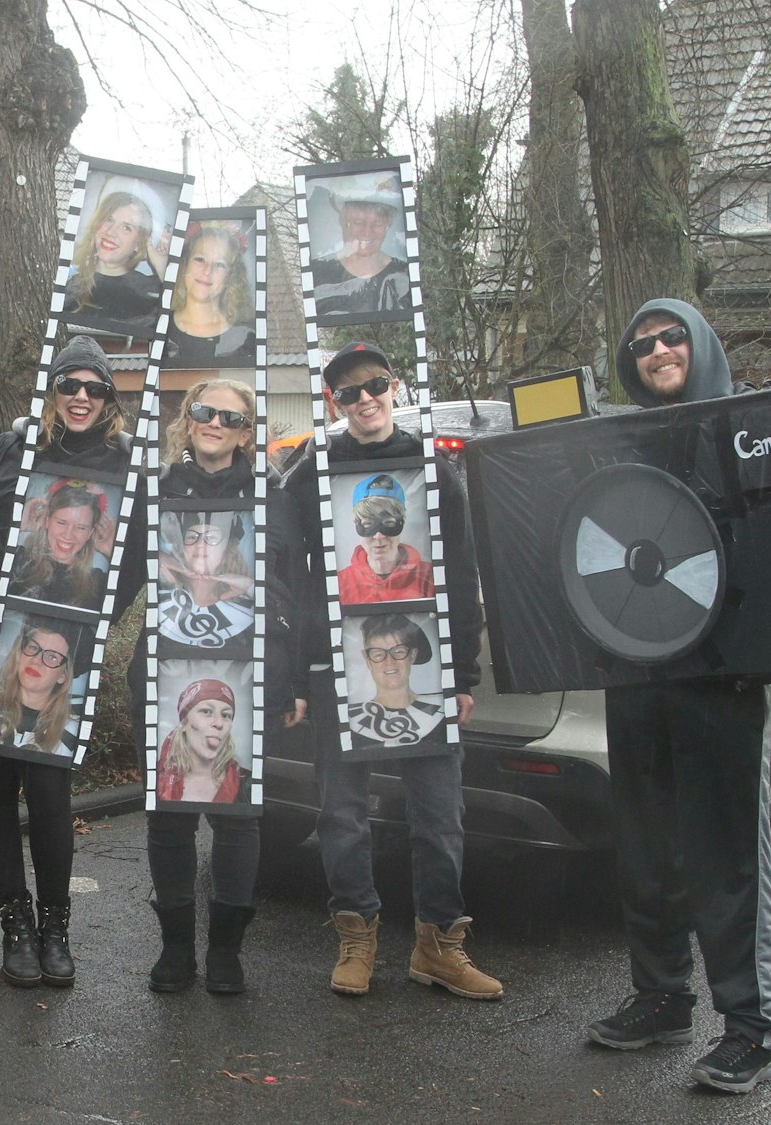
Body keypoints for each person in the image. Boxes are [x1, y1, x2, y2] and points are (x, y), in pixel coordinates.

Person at [582, 299, 771, 1094]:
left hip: (720, 679)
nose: (658, 350)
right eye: (643, 343)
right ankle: (661, 995)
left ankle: (750, 1029)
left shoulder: (744, 432)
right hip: (638, 674)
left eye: (672, 338)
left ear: (698, 346)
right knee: (643, 843)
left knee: (725, 855)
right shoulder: (620, 442)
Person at [278, 340, 498, 1002]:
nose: (364, 399)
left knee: (440, 813)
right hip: (338, 667)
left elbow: (460, 572)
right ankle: (358, 934)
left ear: (395, 387)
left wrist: (461, 674)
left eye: (374, 385)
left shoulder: (432, 465)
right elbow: (286, 573)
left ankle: (439, 943)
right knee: (342, 812)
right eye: (349, 392)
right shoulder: (310, 468)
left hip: (423, 665)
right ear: (332, 402)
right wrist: (298, 672)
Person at [0, 334, 144, 989]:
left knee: (49, 787)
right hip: (4, 629)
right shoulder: (19, 448)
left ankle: (55, 924)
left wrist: (104, 612)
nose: (80, 396)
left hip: (71, 640)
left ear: (109, 397)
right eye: (69, 385)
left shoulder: (125, 462)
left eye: (94, 387)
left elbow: (135, 554)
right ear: (52, 390)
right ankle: (15, 922)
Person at [141, 377, 287, 995]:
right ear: (188, 418)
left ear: (247, 431)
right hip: (165, 667)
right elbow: (115, 583)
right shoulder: (156, 490)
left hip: (244, 669)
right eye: (205, 412)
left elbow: (290, 589)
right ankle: (177, 949)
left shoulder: (270, 495)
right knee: (169, 816)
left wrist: (290, 673)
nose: (215, 424)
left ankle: (226, 951)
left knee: (238, 819)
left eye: (230, 417)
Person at [61, 190, 167, 336]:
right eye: (109, 220)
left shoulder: (150, 291)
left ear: (139, 243)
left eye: (126, 227)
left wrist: (163, 268)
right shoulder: (72, 284)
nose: (111, 232)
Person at [312, 175, 411, 318]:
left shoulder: (404, 275)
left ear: (388, 225)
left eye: (377, 224)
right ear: (345, 221)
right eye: (358, 222)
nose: (367, 232)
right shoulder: (317, 273)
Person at [348, 614, 445, 749]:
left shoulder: (441, 708)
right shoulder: (353, 719)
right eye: (378, 654)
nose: (389, 662)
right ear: (367, 659)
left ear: (412, 655)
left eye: (398, 652)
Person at [159, 512, 255, 649]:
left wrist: (250, 586)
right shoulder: (161, 592)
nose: (200, 544)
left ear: (228, 550)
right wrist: (158, 558)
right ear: (182, 548)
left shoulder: (247, 609)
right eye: (191, 537)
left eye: (211, 538)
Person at [9, 479, 110, 607]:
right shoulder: (16, 559)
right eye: (61, 523)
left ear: (90, 533)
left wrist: (112, 553)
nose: (68, 535)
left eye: (80, 527)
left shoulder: (98, 583)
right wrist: (18, 526)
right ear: (47, 521)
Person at [164, 223, 253, 367]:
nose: (207, 271)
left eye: (219, 264)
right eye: (200, 259)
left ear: (231, 275)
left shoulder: (246, 338)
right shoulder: (159, 328)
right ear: (185, 264)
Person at [337, 475, 434, 604]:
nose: (378, 536)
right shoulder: (339, 584)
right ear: (355, 523)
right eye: (367, 524)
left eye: (389, 523)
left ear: (402, 522)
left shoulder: (430, 578)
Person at [0, 619, 82, 759]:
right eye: (33, 648)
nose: (36, 660)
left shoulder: (74, 728)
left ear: (62, 676)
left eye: (52, 657)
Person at [157, 680, 242, 804]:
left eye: (226, 715)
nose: (219, 723)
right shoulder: (158, 778)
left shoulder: (245, 782)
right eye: (206, 712)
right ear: (185, 722)